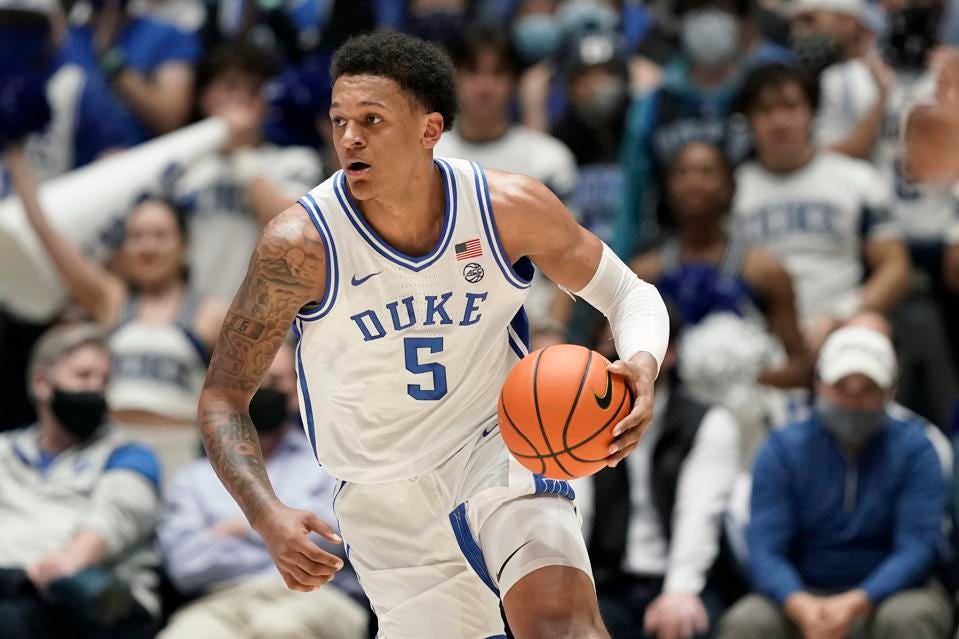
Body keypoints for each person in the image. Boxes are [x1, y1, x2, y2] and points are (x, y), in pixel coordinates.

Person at [197, 31, 669, 639]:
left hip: (497, 446)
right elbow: (222, 396)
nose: (350, 138)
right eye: (340, 121)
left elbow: (630, 294)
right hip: (381, 497)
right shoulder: (300, 246)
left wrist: (642, 361)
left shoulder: (506, 207)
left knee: (562, 627)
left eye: (372, 120)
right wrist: (265, 513)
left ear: (430, 130)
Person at [716, 324, 953, 639]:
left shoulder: (916, 448)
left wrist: (858, 601)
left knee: (908, 617)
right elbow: (765, 548)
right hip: (802, 591)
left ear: (891, 391)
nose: (853, 402)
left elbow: (917, 547)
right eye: (842, 388)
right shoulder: (782, 449)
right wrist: (800, 604)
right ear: (819, 384)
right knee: (747, 621)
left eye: (868, 389)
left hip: (891, 594)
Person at [4, 145, 226, 478]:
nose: (148, 247)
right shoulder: (111, 300)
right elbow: (48, 236)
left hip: (184, 457)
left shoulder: (213, 312)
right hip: (111, 457)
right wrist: (14, 153)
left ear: (185, 245)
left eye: (160, 236)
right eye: (136, 236)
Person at [158, 341, 368, 639]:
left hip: (320, 596)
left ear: (296, 389)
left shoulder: (329, 463)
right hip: (221, 601)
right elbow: (185, 566)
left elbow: (342, 541)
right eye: (255, 381)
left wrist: (240, 529)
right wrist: (281, 532)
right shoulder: (194, 478)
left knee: (281, 629)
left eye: (276, 381)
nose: (263, 390)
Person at [578, 305, 743, 639]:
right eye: (614, 353)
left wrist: (680, 590)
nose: (625, 366)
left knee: (686, 624)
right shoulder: (577, 422)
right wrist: (571, 587)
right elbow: (577, 511)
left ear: (670, 353)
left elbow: (699, 513)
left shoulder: (708, 422)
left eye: (638, 352)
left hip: (684, 579)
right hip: (607, 581)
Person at [0, 323, 161, 639]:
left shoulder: (130, 453)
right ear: (41, 383)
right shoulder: (5, 451)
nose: (96, 389)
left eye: (104, 381)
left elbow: (113, 520)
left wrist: (64, 563)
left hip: (90, 603)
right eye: (84, 376)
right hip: (11, 586)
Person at [733, 63, 911, 348]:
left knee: (868, 331)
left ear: (812, 112)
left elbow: (895, 268)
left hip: (842, 325)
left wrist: (842, 316)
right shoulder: (729, 190)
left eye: (791, 107)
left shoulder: (857, 179)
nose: (779, 121)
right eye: (765, 111)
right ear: (749, 120)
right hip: (755, 332)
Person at [614, 0, 793, 257]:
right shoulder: (655, 103)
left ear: (742, 20)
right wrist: (623, 259)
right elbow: (631, 194)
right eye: (698, 9)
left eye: (723, 8)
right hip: (672, 249)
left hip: (758, 246)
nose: (710, 18)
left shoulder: (762, 89)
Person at [631, 140, 810, 390]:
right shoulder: (643, 273)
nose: (693, 182)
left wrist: (736, 379)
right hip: (665, 408)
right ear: (668, 187)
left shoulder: (766, 270)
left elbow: (800, 368)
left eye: (706, 172)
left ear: (728, 187)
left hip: (745, 405)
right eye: (682, 172)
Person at [436, 22, 578, 331]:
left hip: (531, 326)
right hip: (446, 327)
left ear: (514, 82)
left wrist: (553, 329)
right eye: (473, 72)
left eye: (498, 73)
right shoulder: (426, 156)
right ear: (453, 78)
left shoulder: (550, 159)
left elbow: (569, 253)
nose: (485, 86)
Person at [177, 41, 323, 304]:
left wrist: (240, 151)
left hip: (268, 317)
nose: (242, 98)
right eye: (230, 86)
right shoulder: (182, 166)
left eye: (254, 90)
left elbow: (290, 232)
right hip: (194, 316)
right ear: (205, 97)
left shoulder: (296, 161)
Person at [61, 0, 200, 143]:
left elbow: (169, 120)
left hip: (144, 153)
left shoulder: (166, 36)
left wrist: (110, 59)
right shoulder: (63, 41)